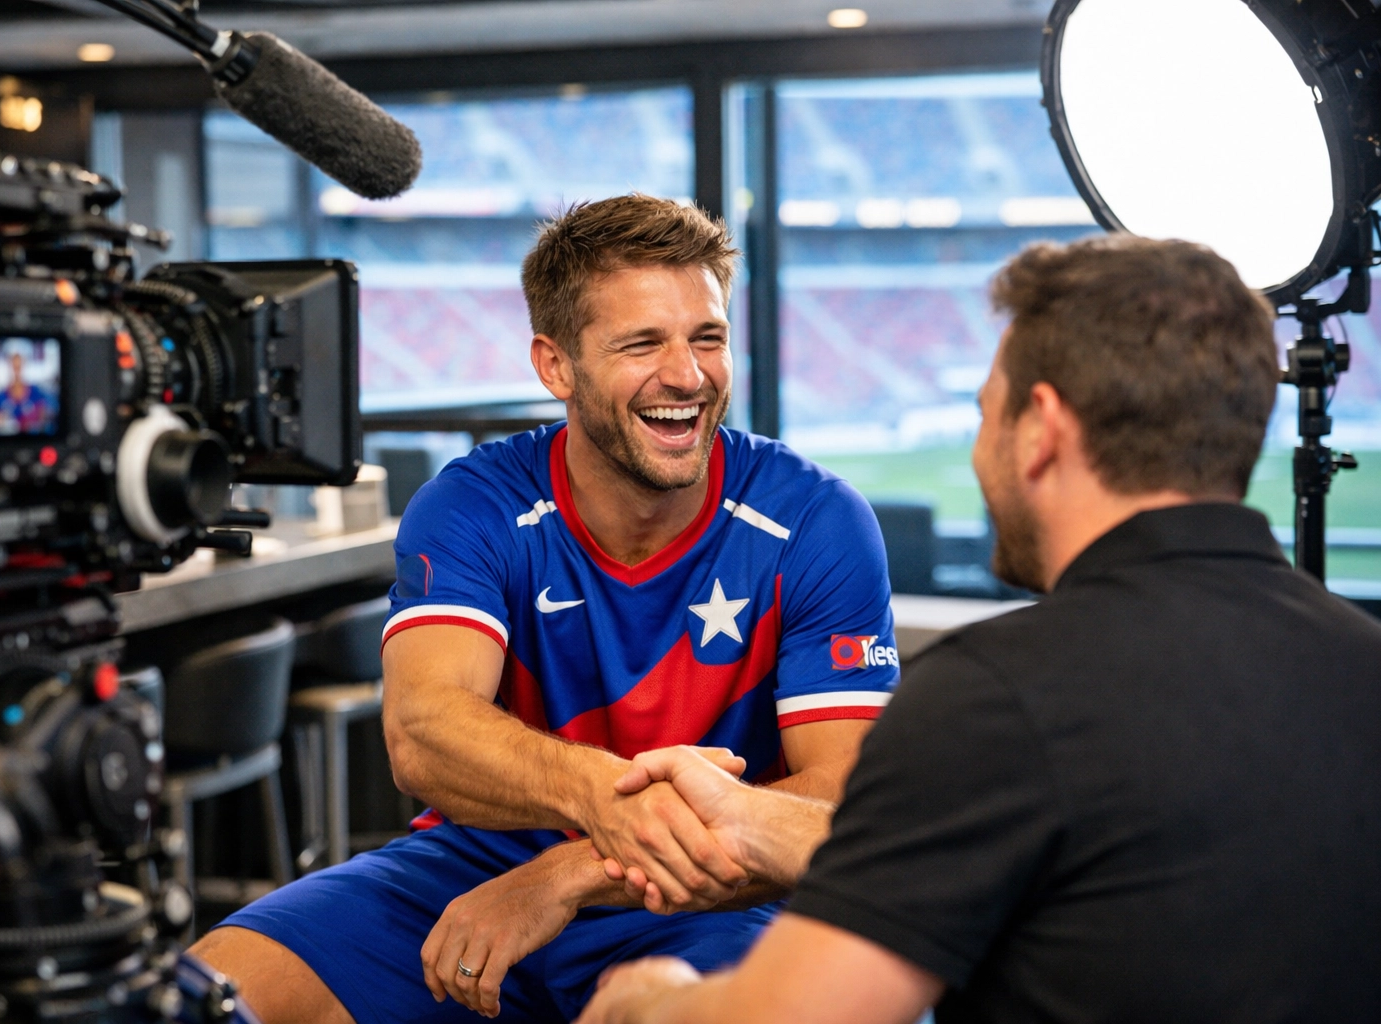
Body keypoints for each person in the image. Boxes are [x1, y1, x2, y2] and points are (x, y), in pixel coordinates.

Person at [575, 235, 1381, 1024]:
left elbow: (802, 1012)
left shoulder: (994, 699)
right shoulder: (1361, 664)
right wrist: (744, 817)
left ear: (1041, 429)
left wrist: (650, 1002)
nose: (978, 451)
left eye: (985, 413)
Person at [190, 195, 903, 1024]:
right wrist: (602, 800)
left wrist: (571, 873)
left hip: (718, 895)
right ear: (555, 365)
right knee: (209, 994)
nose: (688, 374)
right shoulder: (475, 503)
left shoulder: (815, 517)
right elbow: (423, 733)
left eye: (707, 337)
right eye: (643, 343)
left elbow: (840, 806)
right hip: (473, 869)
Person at [0, 350, 56, 434]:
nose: (16, 372)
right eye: (14, 367)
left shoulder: (36, 392)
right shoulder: (0, 396)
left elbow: (45, 417)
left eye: (19, 367)